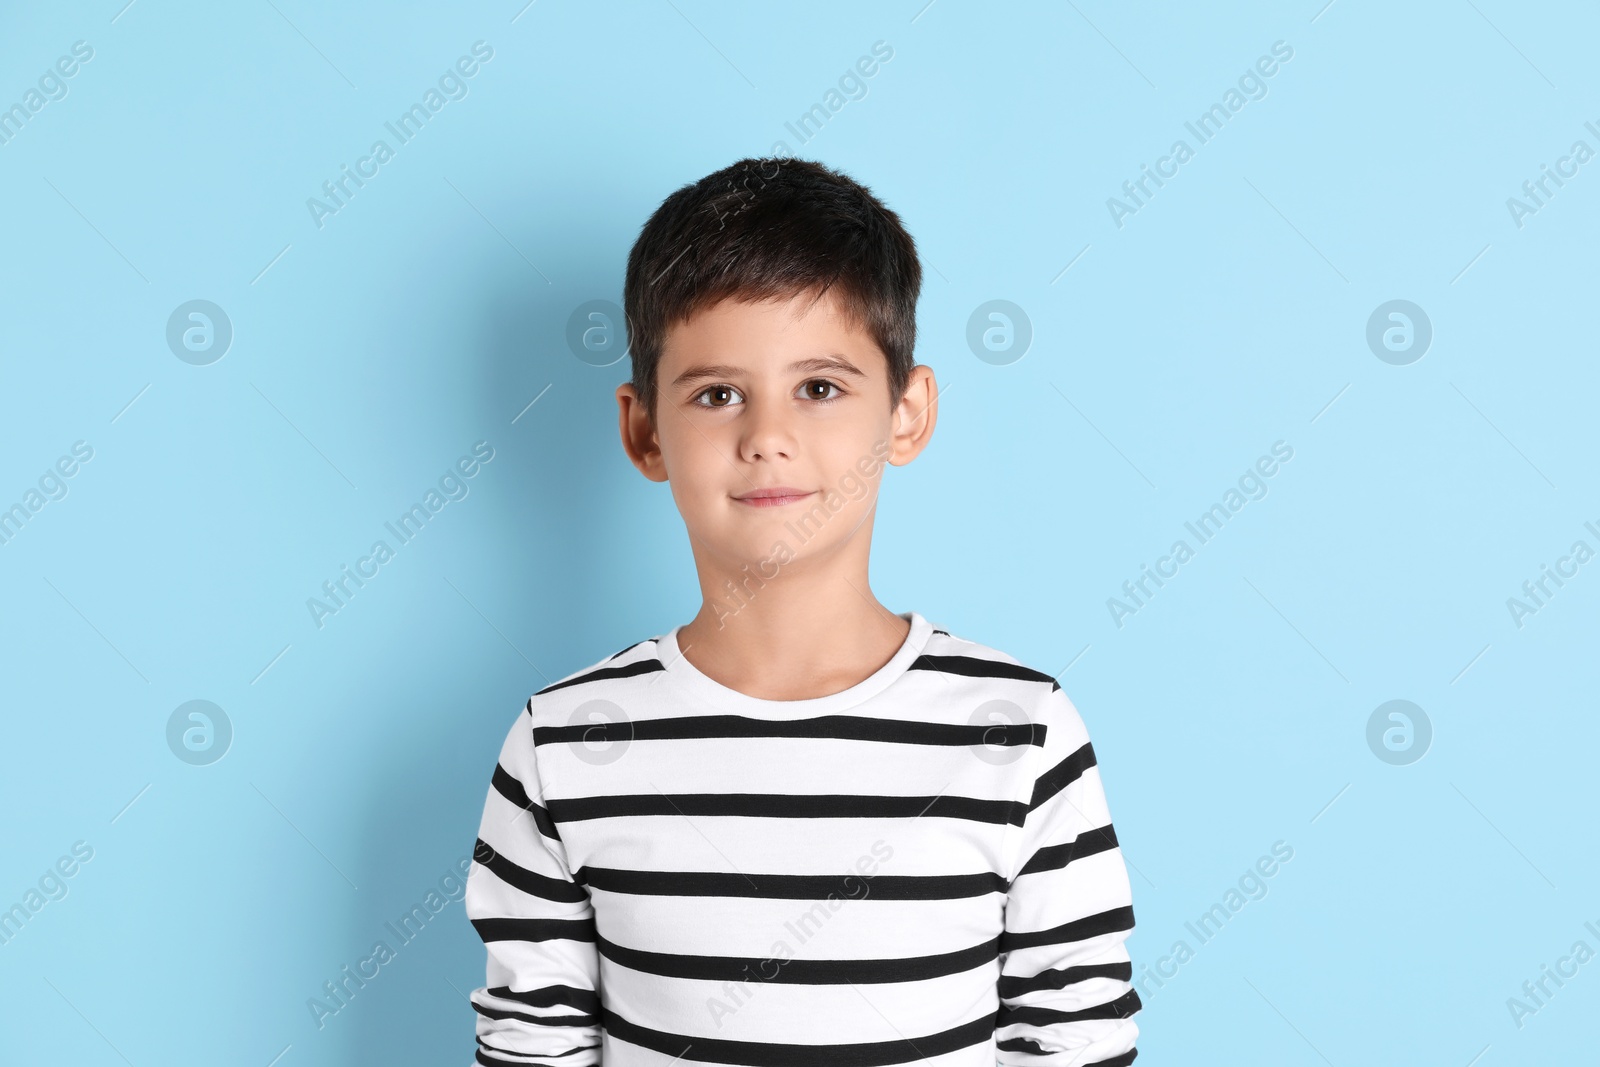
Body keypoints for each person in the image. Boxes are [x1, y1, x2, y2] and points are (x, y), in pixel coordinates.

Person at [463, 156, 1141, 1065]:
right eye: (717, 393)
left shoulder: (1019, 732)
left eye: (819, 387)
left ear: (905, 413)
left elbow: (1077, 1043)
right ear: (643, 429)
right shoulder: (565, 743)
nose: (766, 436)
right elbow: (532, 1049)